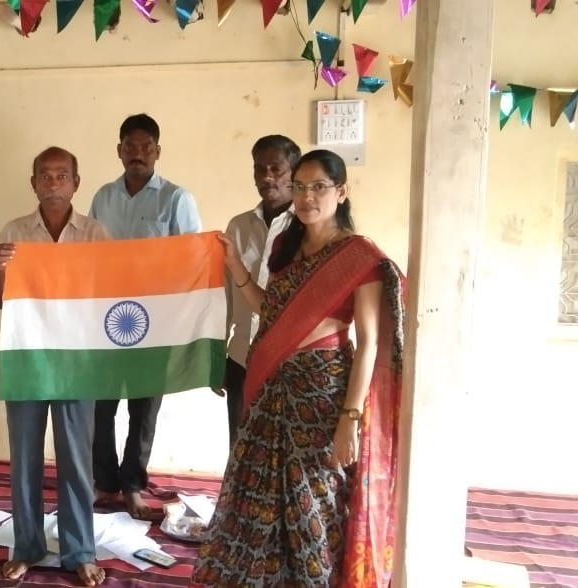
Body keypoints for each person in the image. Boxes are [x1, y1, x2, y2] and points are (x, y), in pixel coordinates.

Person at [192, 150, 405, 587]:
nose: (307, 197)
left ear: (341, 192)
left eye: (319, 187)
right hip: (273, 390)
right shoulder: (286, 247)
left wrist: (350, 418)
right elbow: (270, 310)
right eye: (300, 187)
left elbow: (368, 344)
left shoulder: (358, 256)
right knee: (258, 496)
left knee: (314, 499)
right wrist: (234, 265)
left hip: (321, 393)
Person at [0, 147, 108, 587]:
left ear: (76, 182)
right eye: (45, 175)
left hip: (78, 361)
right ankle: (27, 547)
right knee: (24, 459)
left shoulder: (95, 233)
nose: (53, 182)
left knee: (77, 461)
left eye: (62, 175)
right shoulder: (14, 233)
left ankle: (80, 550)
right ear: (33, 182)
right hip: (27, 360)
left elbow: (108, 294)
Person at [88, 113, 202, 520]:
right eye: (129, 147)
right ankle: (103, 482)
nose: (137, 154)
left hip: (154, 319)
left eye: (145, 147)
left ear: (157, 151)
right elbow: (90, 255)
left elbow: (193, 263)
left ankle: (133, 486)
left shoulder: (176, 199)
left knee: (143, 407)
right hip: (106, 317)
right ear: (119, 151)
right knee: (100, 404)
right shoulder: (103, 197)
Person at [218, 135, 300, 448]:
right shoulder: (238, 227)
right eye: (259, 169)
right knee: (240, 446)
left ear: (294, 171)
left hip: (288, 361)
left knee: (282, 448)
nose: (266, 177)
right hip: (241, 355)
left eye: (276, 168)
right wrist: (217, 354)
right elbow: (224, 293)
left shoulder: (306, 228)